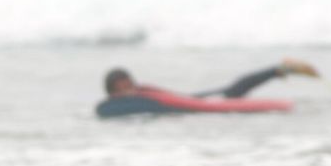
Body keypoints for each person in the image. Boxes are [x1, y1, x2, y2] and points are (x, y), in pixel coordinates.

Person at [103, 58, 319, 103]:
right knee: (236, 89)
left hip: (192, 100)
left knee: (235, 89)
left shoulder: (141, 92)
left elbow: (164, 98)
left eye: (126, 83)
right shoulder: (128, 99)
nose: (125, 88)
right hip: (189, 100)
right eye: (119, 86)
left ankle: (280, 69)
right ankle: (278, 71)